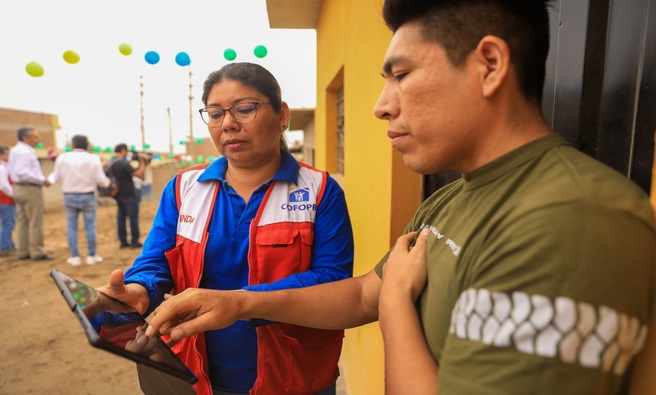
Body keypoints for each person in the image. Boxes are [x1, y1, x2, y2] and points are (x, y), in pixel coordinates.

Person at [141, 2, 656, 395]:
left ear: (490, 64)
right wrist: (235, 303)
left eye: (401, 75)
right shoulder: (453, 199)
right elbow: (364, 294)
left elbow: (374, 294)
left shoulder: (571, 220)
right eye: (215, 113)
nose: (381, 106)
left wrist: (395, 304)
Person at [98, 62, 355, 395]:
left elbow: (332, 281)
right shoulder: (183, 188)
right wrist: (141, 290)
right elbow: (156, 262)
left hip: (297, 375)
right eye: (216, 114)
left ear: (282, 115)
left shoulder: (321, 190)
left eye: (245, 109)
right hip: (197, 372)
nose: (229, 124)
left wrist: (240, 301)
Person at [47, 135, 111, 266]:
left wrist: (48, 181)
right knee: (90, 226)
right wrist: (107, 182)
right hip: (88, 196)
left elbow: (56, 176)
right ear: (87, 145)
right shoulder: (93, 159)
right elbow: (102, 181)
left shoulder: (63, 157)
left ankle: (75, 256)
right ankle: (91, 256)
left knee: (71, 226)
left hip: (69, 195)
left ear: (73, 144)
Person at [8, 127, 55, 260]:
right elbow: (22, 172)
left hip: (18, 188)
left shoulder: (16, 150)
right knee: (35, 221)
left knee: (23, 221)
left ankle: (23, 251)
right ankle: (37, 251)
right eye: (36, 137)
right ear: (26, 138)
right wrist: (42, 180)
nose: (39, 139)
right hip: (30, 189)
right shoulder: (25, 151)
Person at [110, 143, 147, 249]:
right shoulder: (122, 163)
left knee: (121, 218)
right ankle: (135, 241)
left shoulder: (112, 162)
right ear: (123, 150)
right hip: (129, 194)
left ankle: (123, 241)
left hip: (118, 195)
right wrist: (143, 162)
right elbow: (138, 174)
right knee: (133, 218)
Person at [0, 146, 16, 256]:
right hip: (5, 200)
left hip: (4, 200)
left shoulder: (4, 166)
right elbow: (4, 186)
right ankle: (5, 247)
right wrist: (15, 195)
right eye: (7, 154)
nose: (8, 156)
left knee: (7, 224)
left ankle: (9, 245)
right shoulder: (2, 167)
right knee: (8, 224)